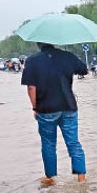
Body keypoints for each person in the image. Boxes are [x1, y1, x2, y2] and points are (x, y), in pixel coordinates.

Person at [20, 43, 88, 185]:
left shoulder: (32, 60)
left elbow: (31, 87)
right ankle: (81, 178)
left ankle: (50, 178)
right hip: (68, 106)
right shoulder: (67, 56)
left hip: (46, 108)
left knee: (49, 144)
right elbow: (83, 70)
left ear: (38, 44)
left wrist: (34, 108)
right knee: (73, 143)